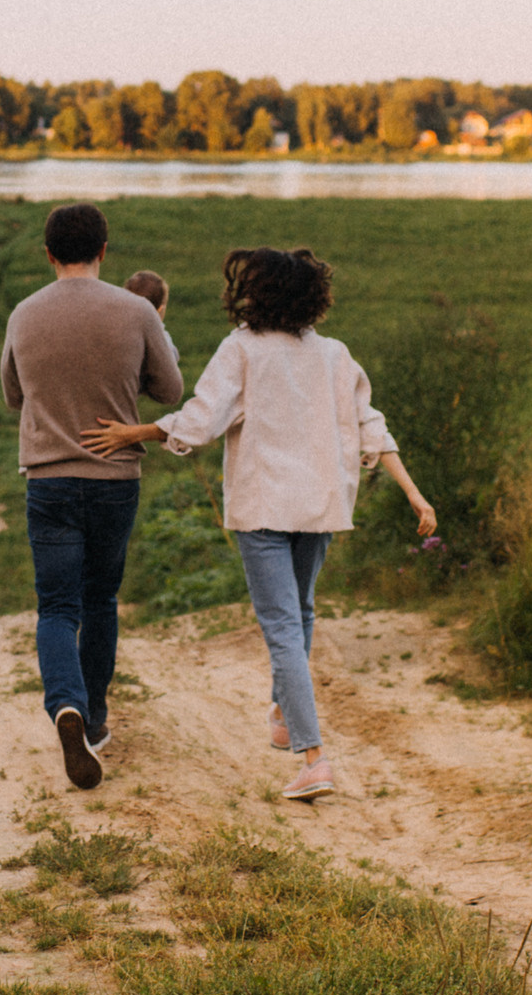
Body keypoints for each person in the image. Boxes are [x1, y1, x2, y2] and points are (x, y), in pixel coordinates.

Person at [79, 246, 434, 801]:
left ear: (254, 294)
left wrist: (138, 432)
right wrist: (415, 494)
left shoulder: (242, 349)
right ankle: (284, 713)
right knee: (303, 611)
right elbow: (373, 427)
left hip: (265, 507)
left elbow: (201, 420)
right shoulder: (337, 355)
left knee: (283, 628)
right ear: (314, 298)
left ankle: (314, 758)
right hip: (318, 507)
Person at [0, 203, 183, 789]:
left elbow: (12, 394)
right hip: (113, 481)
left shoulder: (23, 314)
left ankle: (66, 707)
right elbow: (170, 389)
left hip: (48, 480)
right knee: (101, 599)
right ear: (103, 250)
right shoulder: (134, 310)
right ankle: (96, 722)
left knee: (57, 607)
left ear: (48, 253)